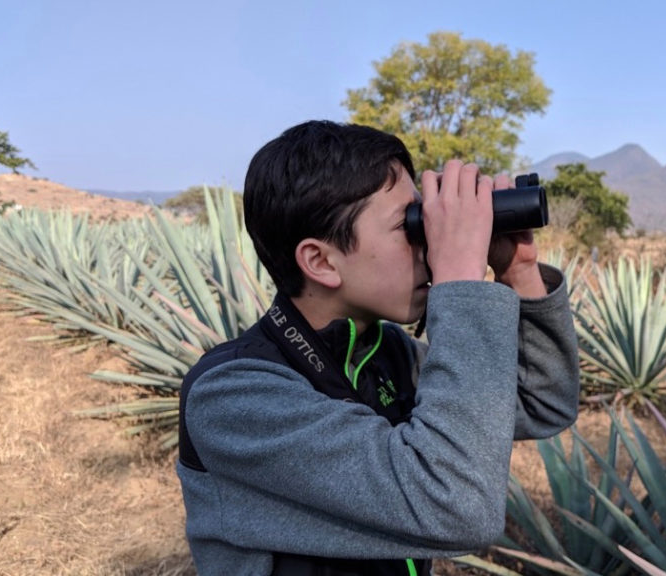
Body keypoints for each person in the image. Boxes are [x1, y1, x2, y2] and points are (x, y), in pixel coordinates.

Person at [176, 120, 580, 575]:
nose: (428, 243)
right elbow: (457, 506)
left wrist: (519, 271)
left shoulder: (386, 352)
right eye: (410, 225)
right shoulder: (233, 397)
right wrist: (461, 279)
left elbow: (540, 401)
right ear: (321, 261)